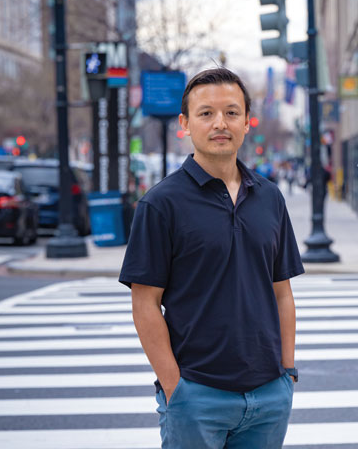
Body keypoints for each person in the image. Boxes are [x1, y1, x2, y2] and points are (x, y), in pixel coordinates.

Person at [119, 67, 304, 449]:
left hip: (269, 394)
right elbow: (145, 303)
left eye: (232, 112)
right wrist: (175, 388)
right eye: (206, 114)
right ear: (185, 124)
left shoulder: (270, 197)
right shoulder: (160, 204)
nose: (220, 123)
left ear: (246, 122)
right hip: (196, 394)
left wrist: (287, 372)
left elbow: (282, 292)